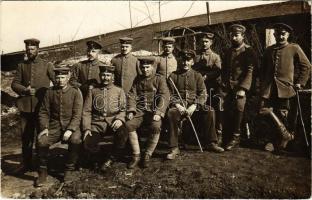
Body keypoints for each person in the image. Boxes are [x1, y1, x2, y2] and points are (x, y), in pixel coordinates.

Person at [259, 23, 311, 151]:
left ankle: (283, 141)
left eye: (283, 34)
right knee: (266, 112)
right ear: (274, 34)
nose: (280, 36)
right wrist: (263, 84)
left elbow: (307, 66)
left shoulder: (294, 48)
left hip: (286, 88)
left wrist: (300, 82)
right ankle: (273, 140)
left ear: (288, 35)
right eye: (278, 33)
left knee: (283, 115)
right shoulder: (269, 50)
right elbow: (263, 69)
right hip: (269, 89)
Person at [166, 50, 224, 160]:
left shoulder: (197, 76)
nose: (185, 63)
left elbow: (203, 93)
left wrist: (195, 105)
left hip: (194, 106)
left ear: (192, 62)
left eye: (188, 60)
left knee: (209, 110)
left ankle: (211, 142)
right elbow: (169, 94)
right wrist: (178, 105)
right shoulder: (173, 76)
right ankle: (174, 147)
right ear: (180, 61)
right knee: (171, 113)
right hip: (179, 106)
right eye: (183, 60)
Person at [11, 38, 55, 174]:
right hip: (25, 108)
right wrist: (25, 90)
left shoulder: (47, 64)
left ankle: (42, 166)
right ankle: (27, 164)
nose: (30, 51)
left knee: (42, 137)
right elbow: (14, 84)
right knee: (26, 137)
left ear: (38, 49)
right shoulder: (21, 66)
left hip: (42, 107)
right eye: (28, 49)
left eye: (32, 49)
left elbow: (57, 81)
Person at [36, 67, 83, 187]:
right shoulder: (50, 92)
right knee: (42, 141)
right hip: (54, 125)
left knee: (76, 139)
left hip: (71, 124)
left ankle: (69, 170)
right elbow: (43, 112)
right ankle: (43, 171)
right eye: (58, 77)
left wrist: (70, 129)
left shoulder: (75, 91)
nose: (60, 80)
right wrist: (45, 127)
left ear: (68, 78)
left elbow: (78, 114)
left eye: (63, 77)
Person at [82, 63, 128, 171]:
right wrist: (87, 128)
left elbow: (123, 109)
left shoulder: (119, 91)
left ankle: (111, 159)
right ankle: (98, 160)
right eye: (103, 75)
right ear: (99, 75)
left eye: (108, 75)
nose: (105, 78)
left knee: (123, 134)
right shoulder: (93, 91)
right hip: (96, 124)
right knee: (88, 142)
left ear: (112, 77)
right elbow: (86, 111)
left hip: (113, 121)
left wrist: (120, 119)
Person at [126, 57, 170, 168]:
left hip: (153, 111)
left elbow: (164, 96)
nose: (145, 70)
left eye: (147, 67)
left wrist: (159, 112)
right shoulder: (138, 79)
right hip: (140, 111)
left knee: (156, 126)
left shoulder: (159, 79)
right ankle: (136, 155)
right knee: (129, 125)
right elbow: (132, 95)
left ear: (152, 67)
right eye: (143, 67)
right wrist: (131, 109)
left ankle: (147, 154)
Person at [222, 24, 257, 151]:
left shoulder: (248, 51)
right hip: (228, 86)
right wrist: (224, 83)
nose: (233, 38)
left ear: (243, 36)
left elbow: (250, 70)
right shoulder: (229, 51)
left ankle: (236, 137)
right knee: (221, 104)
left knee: (239, 105)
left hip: (242, 87)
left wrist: (243, 88)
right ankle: (222, 135)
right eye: (232, 35)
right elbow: (225, 69)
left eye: (236, 35)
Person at [193, 32, 223, 145]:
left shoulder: (215, 57)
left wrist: (206, 76)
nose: (204, 44)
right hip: (198, 87)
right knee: (199, 108)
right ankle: (200, 134)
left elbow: (218, 71)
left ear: (211, 43)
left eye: (206, 42)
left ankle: (218, 133)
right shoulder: (195, 55)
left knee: (217, 107)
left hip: (212, 86)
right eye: (202, 41)